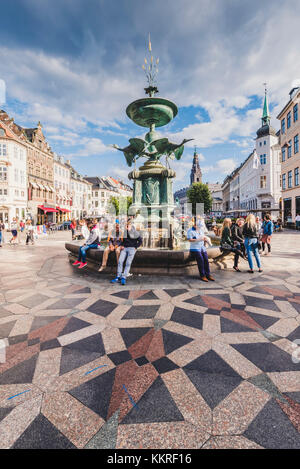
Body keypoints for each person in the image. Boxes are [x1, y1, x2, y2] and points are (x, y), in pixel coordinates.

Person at [111, 220, 142, 285]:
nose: (126, 227)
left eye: (128, 226)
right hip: (125, 248)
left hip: (132, 249)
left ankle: (124, 277)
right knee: (120, 261)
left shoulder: (135, 233)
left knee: (128, 263)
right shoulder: (125, 232)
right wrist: (122, 245)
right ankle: (118, 276)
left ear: (131, 226)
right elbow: (123, 241)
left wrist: (135, 247)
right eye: (126, 226)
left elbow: (140, 241)